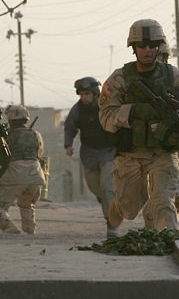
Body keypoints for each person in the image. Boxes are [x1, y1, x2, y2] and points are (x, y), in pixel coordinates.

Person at [99, 19, 179, 231]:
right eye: (142, 46)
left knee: (163, 202)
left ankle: (169, 240)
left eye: (152, 45)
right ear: (134, 48)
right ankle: (113, 220)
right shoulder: (119, 79)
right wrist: (134, 111)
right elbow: (106, 116)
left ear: (159, 46)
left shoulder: (173, 76)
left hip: (163, 153)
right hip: (130, 154)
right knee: (128, 208)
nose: (147, 50)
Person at [64, 76, 117, 237]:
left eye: (87, 94)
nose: (84, 97)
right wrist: (68, 145)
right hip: (89, 153)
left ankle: (112, 224)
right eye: (81, 94)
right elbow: (70, 127)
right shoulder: (78, 109)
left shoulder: (107, 106)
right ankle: (106, 202)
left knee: (107, 187)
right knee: (96, 188)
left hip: (108, 152)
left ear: (95, 93)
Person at [0, 105, 45, 234]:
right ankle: (30, 230)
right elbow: (40, 154)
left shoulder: (6, 136)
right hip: (36, 175)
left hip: (15, 174)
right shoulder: (36, 134)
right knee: (27, 204)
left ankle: (9, 228)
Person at [155, 44, 179, 215]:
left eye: (164, 57)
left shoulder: (176, 79)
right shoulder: (142, 81)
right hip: (156, 145)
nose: (161, 61)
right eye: (158, 57)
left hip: (178, 141)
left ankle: (172, 216)